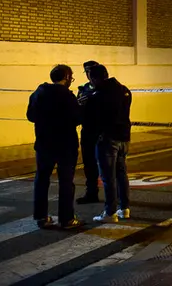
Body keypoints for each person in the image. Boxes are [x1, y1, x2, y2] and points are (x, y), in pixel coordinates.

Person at [26, 64, 84, 229]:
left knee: (42, 180)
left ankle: (41, 217)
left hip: (44, 143)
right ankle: (66, 219)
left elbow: (30, 116)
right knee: (66, 182)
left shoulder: (39, 93)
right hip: (65, 145)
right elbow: (78, 118)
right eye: (70, 77)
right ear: (66, 77)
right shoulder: (67, 96)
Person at [87, 64, 133, 223]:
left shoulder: (98, 95)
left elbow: (92, 119)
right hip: (124, 138)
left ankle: (110, 212)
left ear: (93, 78)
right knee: (121, 174)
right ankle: (125, 208)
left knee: (108, 177)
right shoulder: (124, 90)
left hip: (108, 139)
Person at [76, 60, 100, 204]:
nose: (89, 74)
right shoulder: (83, 89)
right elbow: (76, 112)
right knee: (89, 164)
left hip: (103, 132)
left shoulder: (107, 88)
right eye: (87, 71)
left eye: (92, 70)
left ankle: (116, 197)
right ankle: (91, 192)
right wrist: (79, 104)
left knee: (110, 166)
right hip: (88, 131)